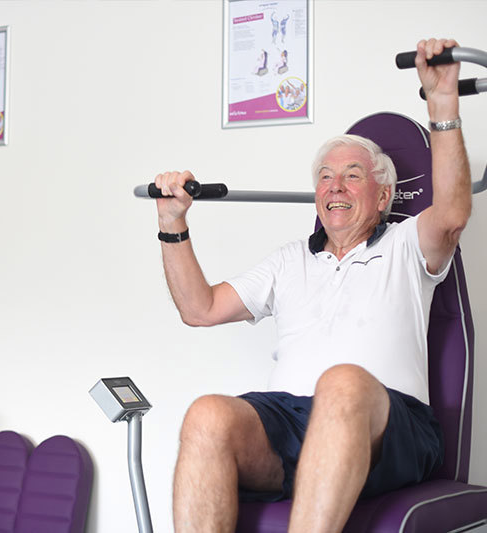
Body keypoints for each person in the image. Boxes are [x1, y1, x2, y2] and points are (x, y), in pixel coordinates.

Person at [152, 38, 470, 532]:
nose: (334, 186)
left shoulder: (408, 243)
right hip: (291, 423)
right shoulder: (288, 259)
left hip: (389, 425)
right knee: (207, 416)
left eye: (351, 175)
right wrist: (172, 224)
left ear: (384, 194)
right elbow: (199, 308)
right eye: (324, 177)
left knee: (341, 382)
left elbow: (451, 215)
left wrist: (443, 103)